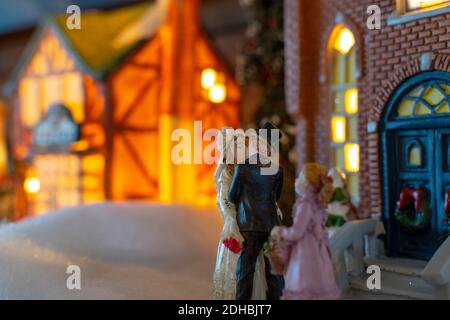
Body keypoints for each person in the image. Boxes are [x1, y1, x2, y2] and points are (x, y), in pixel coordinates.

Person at [228, 122, 284, 300]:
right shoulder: (277, 170)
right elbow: (276, 197)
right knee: (273, 271)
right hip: (270, 225)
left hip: (249, 225)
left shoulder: (243, 167)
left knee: (245, 270)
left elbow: (232, 196)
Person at [212, 127, 267, 299]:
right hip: (236, 225)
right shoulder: (226, 174)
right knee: (237, 266)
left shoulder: (248, 171)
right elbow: (223, 200)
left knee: (253, 266)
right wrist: (231, 220)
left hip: (250, 224)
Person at [272, 163, 341, 300]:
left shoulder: (306, 204)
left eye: (300, 177)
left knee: (304, 290)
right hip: (319, 252)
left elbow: (296, 233)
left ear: (307, 182)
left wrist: (280, 232)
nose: (297, 180)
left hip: (305, 255)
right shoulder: (319, 203)